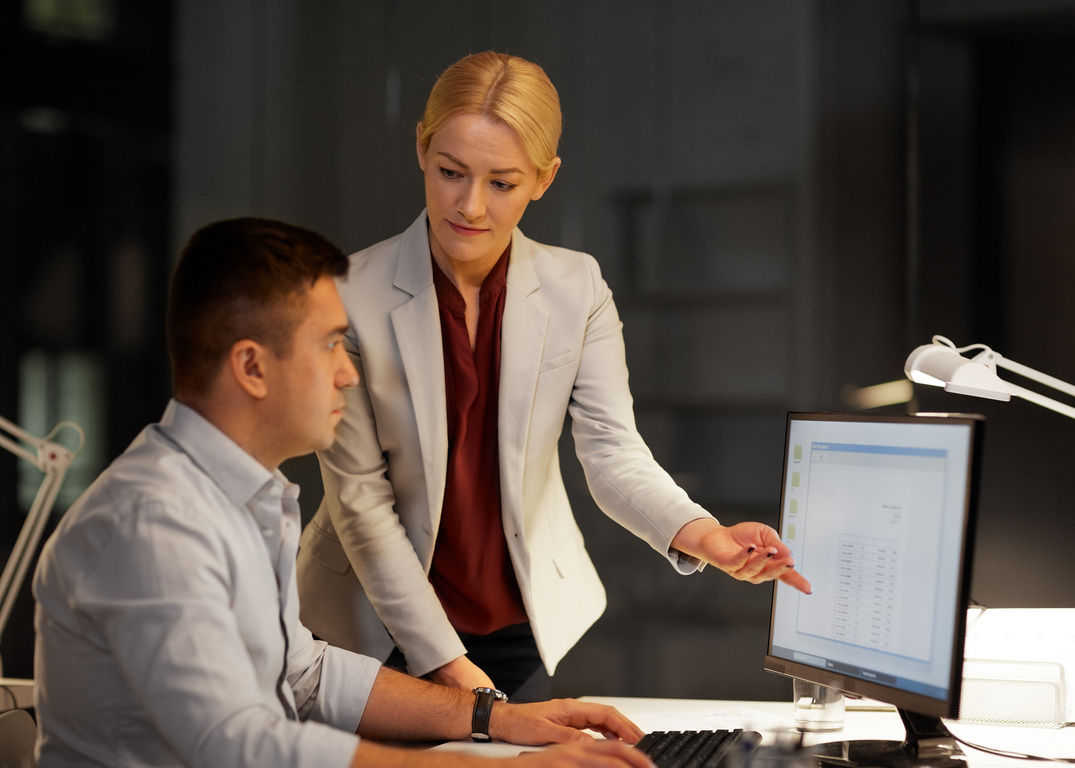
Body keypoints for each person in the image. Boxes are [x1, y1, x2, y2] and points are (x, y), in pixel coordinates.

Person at [32, 218, 651, 768]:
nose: (349, 371)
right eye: (330, 343)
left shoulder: (244, 498)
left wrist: (495, 717)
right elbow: (235, 744)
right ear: (252, 368)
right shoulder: (153, 523)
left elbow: (303, 673)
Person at [296, 51, 813, 704]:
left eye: (502, 183)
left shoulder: (577, 288)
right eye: (451, 172)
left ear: (544, 178)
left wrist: (706, 536)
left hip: (513, 619)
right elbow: (361, 504)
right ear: (421, 149)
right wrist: (447, 667)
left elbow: (612, 452)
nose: (471, 206)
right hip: (369, 622)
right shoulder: (349, 294)